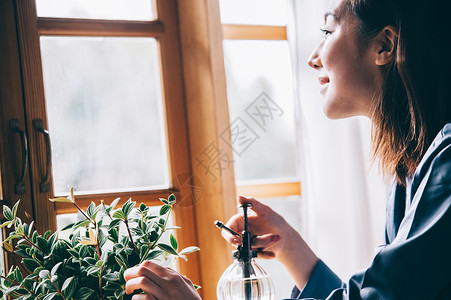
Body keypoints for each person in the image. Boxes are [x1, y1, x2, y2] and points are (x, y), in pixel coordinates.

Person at [124, 0, 451, 298]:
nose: (313, 58)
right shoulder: (409, 171)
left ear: (385, 45)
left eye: (327, 31)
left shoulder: (446, 163)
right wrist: (287, 243)